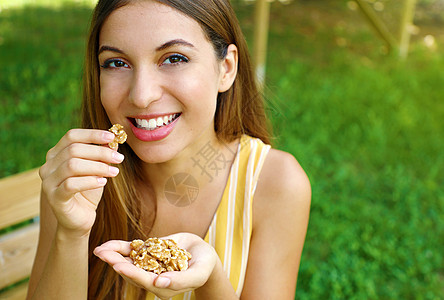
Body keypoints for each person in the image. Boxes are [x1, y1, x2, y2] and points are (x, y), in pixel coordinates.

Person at [26, 0, 311, 299]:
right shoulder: (76, 181)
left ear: (226, 68)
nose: (142, 95)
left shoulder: (274, 184)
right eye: (117, 63)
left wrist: (211, 278)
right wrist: (72, 234)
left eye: (174, 58)